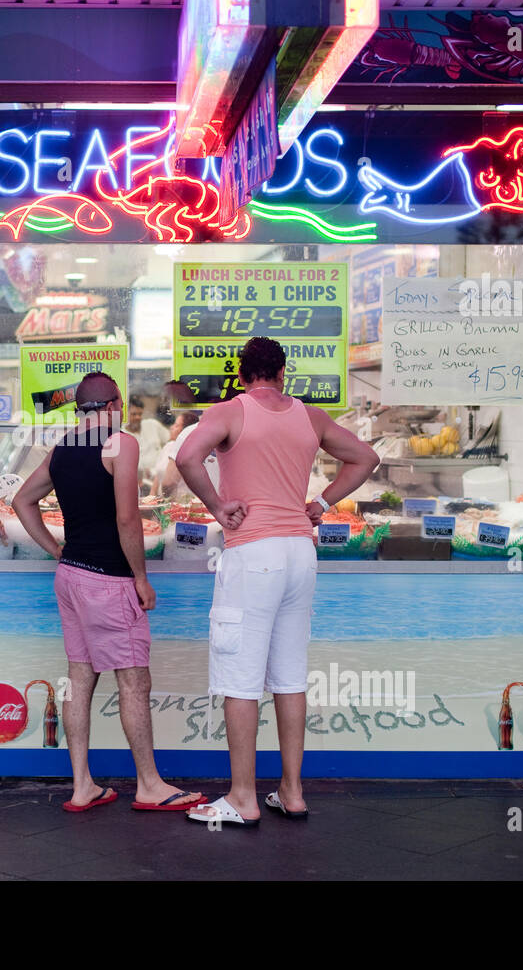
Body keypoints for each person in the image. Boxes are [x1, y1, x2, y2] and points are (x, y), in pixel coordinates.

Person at [178, 337, 379, 827]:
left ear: (242, 375)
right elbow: (366, 458)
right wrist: (322, 503)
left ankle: (244, 797)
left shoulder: (228, 412)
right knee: (289, 677)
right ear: (283, 373)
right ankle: (291, 792)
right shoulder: (310, 418)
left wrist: (217, 506)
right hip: (299, 553)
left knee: (241, 679)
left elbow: (186, 458)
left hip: (254, 553)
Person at [12, 371, 206, 814]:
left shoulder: (62, 448)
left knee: (79, 678)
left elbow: (24, 501)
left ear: (81, 408)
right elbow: (127, 519)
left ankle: (83, 785)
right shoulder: (120, 442)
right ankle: (150, 785)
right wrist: (140, 577)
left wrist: (55, 549)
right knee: (133, 680)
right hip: (110, 580)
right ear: (115, 403)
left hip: (71, 575)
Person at [153, 411, 211, 498]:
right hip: (162, 502)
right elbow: (159, 476)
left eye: (176, 425)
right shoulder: (168, 447)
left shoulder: (191, 448)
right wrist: (152, 496)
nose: (171, 427)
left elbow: (169, 483)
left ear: (185, 431)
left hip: (183, 502)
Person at [127, 394, 170, 482]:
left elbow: (171, 440)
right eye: (134, 414)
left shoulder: (152, 424)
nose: (138, 417)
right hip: (138, 482)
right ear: (125, 414)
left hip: (161, 478)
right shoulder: (122, 434)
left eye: (140, 414)